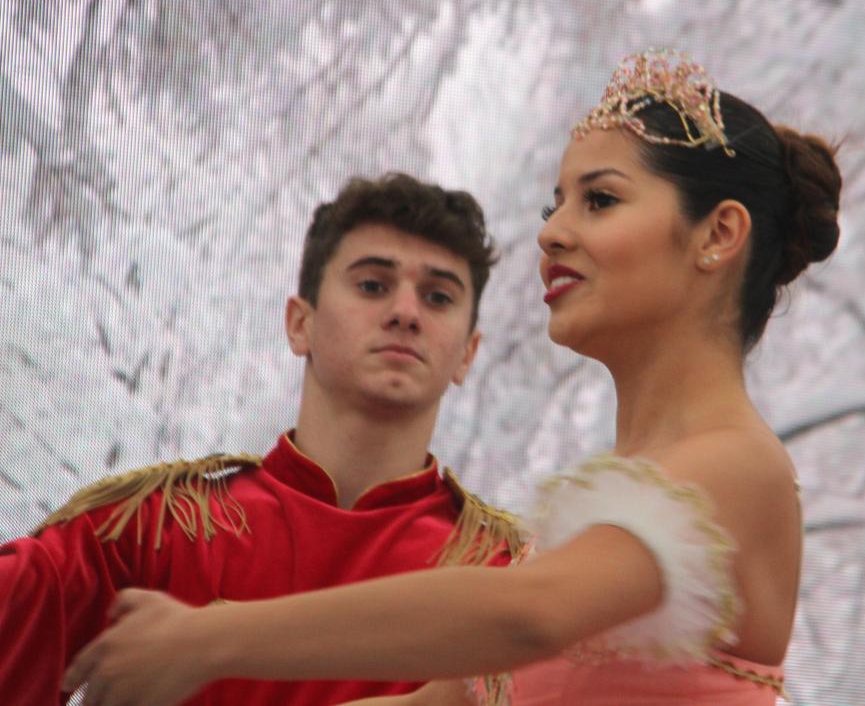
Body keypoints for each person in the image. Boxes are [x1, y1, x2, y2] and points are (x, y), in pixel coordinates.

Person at [64, 49, 843, 706]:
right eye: (555, 202)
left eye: (599, 200)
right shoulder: (587, 537)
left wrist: (209, 635)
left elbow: (532, 612)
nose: (550, 231)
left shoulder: (738, 466)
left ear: (718, 233)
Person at [0, 173, 521, 705]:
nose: (406, 313)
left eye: (437, 297)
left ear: (468, 353)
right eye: (372, 285)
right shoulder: (152, 530)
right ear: (300, 323)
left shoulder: (510, 581)